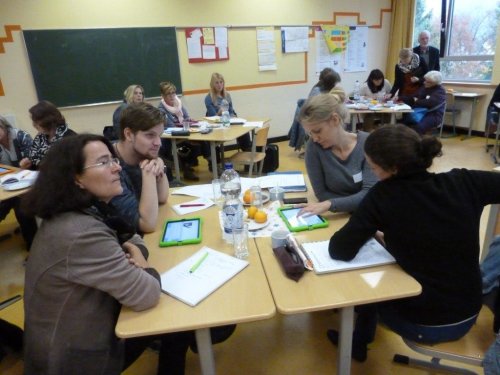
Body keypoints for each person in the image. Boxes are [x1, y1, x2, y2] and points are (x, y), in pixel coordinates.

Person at [22, 134, 194, 375]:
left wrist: (131, 251)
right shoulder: (80, 233)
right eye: (104, 162)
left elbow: (132, 239)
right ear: (77, 179)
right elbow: (147, 293)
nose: (117, 167)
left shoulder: (87, 209)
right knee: (179, 318)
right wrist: (142, 264)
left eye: (113, 159)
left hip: (75, 336)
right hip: (73, 362)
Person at [327, 124, 500, 362]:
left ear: (393, 168)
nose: (372, 171)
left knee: (369, 282)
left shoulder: (382, 196)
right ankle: (359, 341)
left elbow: (339, 250)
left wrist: (371, 232)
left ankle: (357, 343)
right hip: (469, 312)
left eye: (374, 167)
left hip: (424, 323)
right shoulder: (464, 180)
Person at [297, 94, 378, 216]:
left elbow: (370, 193)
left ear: (335, 120)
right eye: (310, 133)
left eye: (318, 131)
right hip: (343, 215)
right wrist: (351, 205)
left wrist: (331, 204)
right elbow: (321, 194)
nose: (314, 138)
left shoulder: (368, 143)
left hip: (370, 215)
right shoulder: (314, 147)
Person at [110, 102, 169, 234]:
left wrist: (158, 162)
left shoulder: (144, 153)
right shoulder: (111, 167)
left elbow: (162, 197)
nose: (158, 143)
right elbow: (147, 224)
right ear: (129, 134)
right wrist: (149, 174)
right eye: (150, 135)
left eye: (159, 135)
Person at [158, 81, 208, 181]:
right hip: (171, 138)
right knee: (193, 145)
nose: (172, 96)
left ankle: (212, 163)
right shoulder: (161, 109)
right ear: (163, 96)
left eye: (173, 93)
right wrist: (186, 124)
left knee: (203, 140)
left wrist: (192, 123)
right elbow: (170, 125)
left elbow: (187, 117)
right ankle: (186, 168)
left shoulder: (178, 104)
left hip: (184, 133)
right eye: (168, 94)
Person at [0, 116, 37, 249]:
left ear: (4, 127)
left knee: (20, 207)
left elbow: (32, 160)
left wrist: (25, 163)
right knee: (8, 201)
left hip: (30, 181)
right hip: (11, 181)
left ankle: (33, 246)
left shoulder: (21, 136)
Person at [19, 100, 76, 170]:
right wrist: (27, 166)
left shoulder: (70, 139)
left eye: (36, 121)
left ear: (47, 120)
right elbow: (34, 164)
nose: (33, 125)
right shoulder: (40, 137)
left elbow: (71, 168)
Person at [204, 72, 252, 152]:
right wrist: (220, 112)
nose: (219, 85)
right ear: (212, 85)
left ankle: (248, 155)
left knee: (244, 131)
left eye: (221, 82)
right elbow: (212, 118)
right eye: (217, 83)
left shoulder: (227, 95)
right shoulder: (208, 98)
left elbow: (231, 111)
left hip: (228, 123)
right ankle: (216, 161)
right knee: (213, 141)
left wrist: (233, 117)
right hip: (217, 126)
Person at [400, 70, 446, 135]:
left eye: (428, 82)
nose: (424, 83)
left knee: (419, 127)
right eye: (425, 80)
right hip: (419, 111)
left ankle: (416, 143)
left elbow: (429, 103)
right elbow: (413, 97)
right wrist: (400, 98)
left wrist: (417, 101)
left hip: (433, 114)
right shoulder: (424, 87)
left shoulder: (440, 91)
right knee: (402, 123)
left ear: (435, 83)